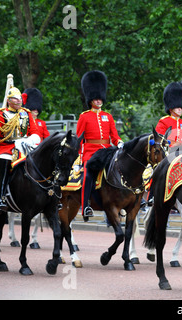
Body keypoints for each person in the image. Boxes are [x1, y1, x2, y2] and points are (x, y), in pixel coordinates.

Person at [76, 70, 123, 220]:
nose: (98, 101)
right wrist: (81, 157)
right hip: (90, 152)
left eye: (100, 98)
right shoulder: (84, 116)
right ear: (91, 100)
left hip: (107, 151)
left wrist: (120, 142)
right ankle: (85, 206)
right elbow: (79, 139)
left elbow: (114, 136)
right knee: (88, 176)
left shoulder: (108, 116)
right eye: (95, 98)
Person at [0, 77, 40, 211]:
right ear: (8, 100)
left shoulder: (26, 114)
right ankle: (0, 198)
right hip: (6, 148)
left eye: (20, 98)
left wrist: (29, 140)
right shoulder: (0, 115)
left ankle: (50, 195)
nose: (18, 100)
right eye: (15, 98)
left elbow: (35, 132)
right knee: (4, 164)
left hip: (25, 146)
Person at [155, 82, 182, 147]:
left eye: (180, 107)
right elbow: (159, 140)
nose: (180, 109)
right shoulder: (164, 121)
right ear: (171, 109)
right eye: (177, 107)